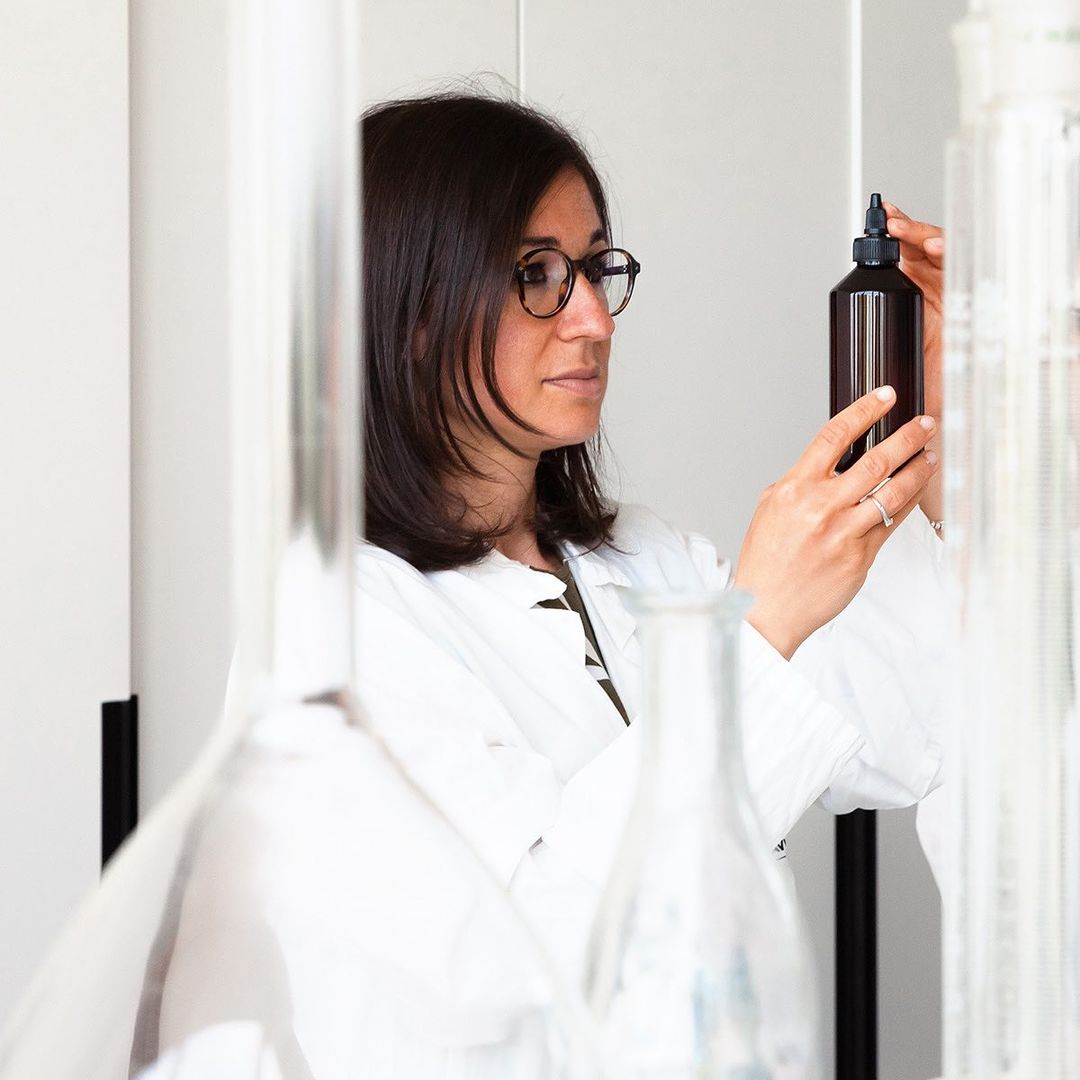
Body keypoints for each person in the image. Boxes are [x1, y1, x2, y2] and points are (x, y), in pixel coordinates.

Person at [355, 90, 947, 980]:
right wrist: (759, 630)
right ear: (411, 314)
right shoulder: (344, 624)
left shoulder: (644, 560)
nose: (595, 318)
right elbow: (522, 961)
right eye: (537, 274)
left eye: (596, 268)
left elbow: (913, 732)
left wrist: (954, 420)